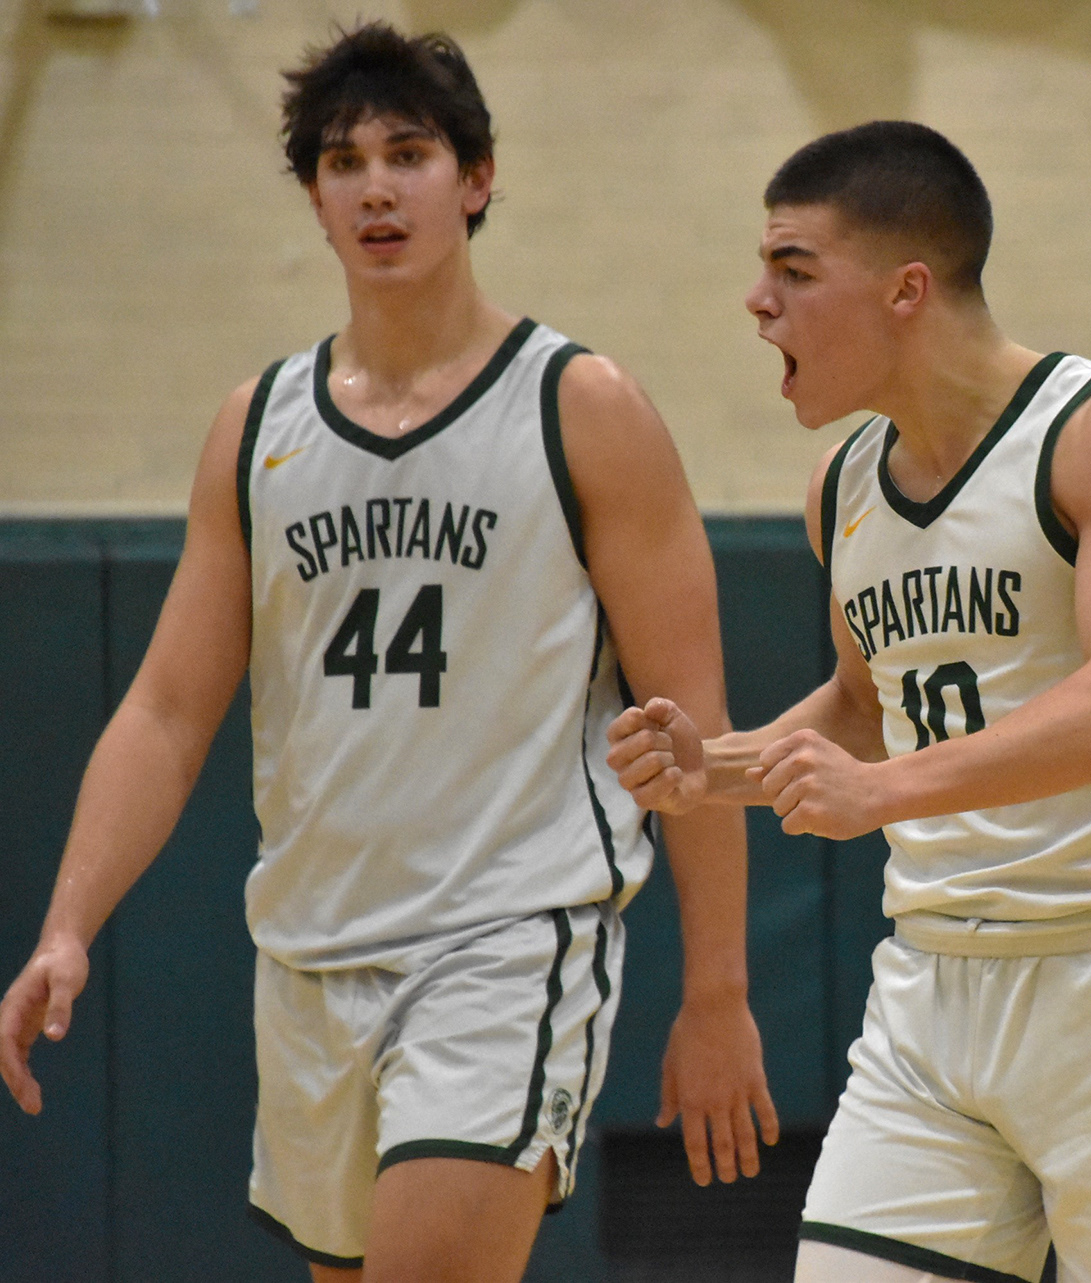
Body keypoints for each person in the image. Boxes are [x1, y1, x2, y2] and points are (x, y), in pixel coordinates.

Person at [0, 23, 775, 1283]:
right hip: (311, 955)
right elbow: (166, 710)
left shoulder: (582, 409)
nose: (376, 188)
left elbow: (693, 720)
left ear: (476, 179)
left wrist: (719, 988)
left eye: (409, 155)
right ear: (313, 198)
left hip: (505, 937)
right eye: (344, 162)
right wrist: (67, 924)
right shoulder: (257, 427)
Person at [610, 121, 1091, 1283]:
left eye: (794, 270)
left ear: (906, 289)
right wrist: (711, 766)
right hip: (931, 990)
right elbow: (866, 707)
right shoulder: (842, 487)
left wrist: (882, 793)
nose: (758, 303)